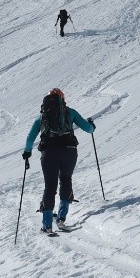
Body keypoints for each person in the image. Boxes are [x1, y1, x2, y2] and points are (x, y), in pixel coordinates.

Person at [23, 88, 96, 234]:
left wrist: (27, 153)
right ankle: (61, 218)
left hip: (49, 153)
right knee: (66, 179)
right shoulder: (70, 112)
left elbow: (30, 138)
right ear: (62, 99)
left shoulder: (41, 117)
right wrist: (91, 124)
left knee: (50, 186)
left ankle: (47, 225)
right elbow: (88, 129)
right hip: (69, 152)